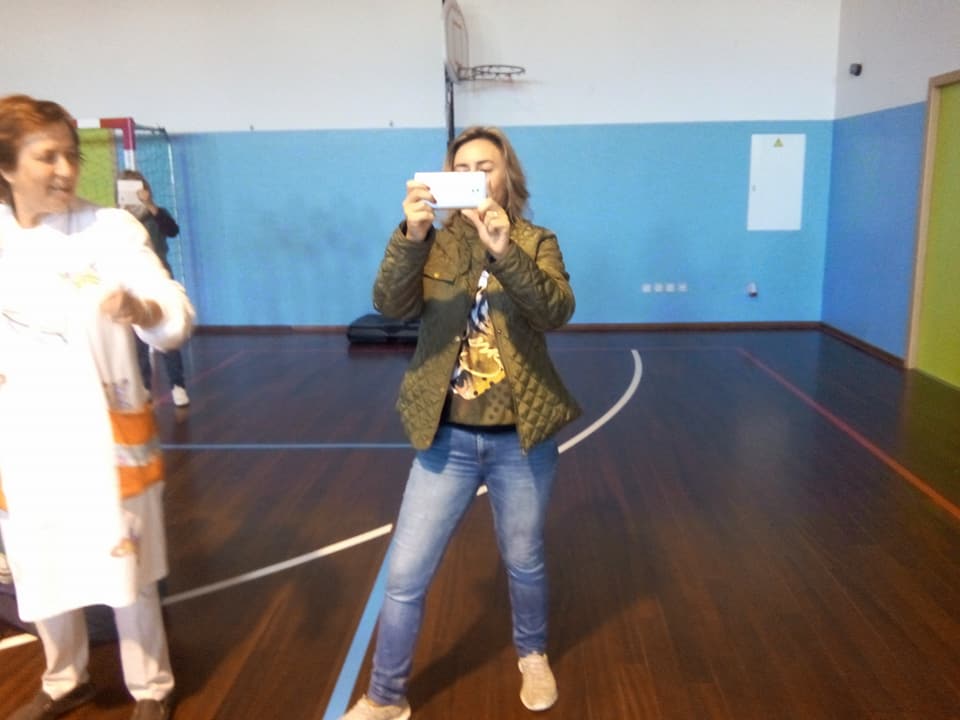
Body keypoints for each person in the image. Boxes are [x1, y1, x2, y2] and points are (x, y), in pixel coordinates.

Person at [340, 126, 581, 720]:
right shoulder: (434, 244)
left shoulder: (535, 240)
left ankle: (532, 655)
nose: (475, 175)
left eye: (486, 166)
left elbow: (556, 311)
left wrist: (505, 252)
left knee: (524, 559)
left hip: (521, 440)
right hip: (445, 439)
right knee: (405, 574)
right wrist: (411, 236)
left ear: (507, 176)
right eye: (463, 167)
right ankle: (385, 697)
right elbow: (390, 304)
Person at [0, 94, 194, 720]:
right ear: (6, 166)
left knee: (127, 569)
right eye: (46, 157)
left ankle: (152, 686)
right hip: (24, 444)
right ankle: (64, 679)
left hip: (106, 438)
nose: (65, 170)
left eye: (71, 155)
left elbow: (173, 313)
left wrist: (141, 309)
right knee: (40, 563)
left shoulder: (109, 230)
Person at [117, 169, 190, 408]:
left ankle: (178, 385)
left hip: (159, 282)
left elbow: (172, 230)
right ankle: (145, 387)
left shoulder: (156, 214)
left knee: (167, 335)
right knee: (138, 341)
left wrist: (150, 205)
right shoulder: (118, 220)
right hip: (131, 284)